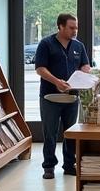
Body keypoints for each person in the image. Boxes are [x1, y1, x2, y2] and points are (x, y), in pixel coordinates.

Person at [33, 13, 91, 179]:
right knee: (50, 132)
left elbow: (85, 64)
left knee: (70, 132)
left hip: (72, 97)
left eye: (76, 28)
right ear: (60, 26)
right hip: (50, 97)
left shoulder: (78, 46)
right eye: (71, 28)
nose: (75, 31)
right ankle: (49, 166)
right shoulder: (46, 44)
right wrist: (56, 81)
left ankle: (69, 164)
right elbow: (40, 68)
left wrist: (84, 72)